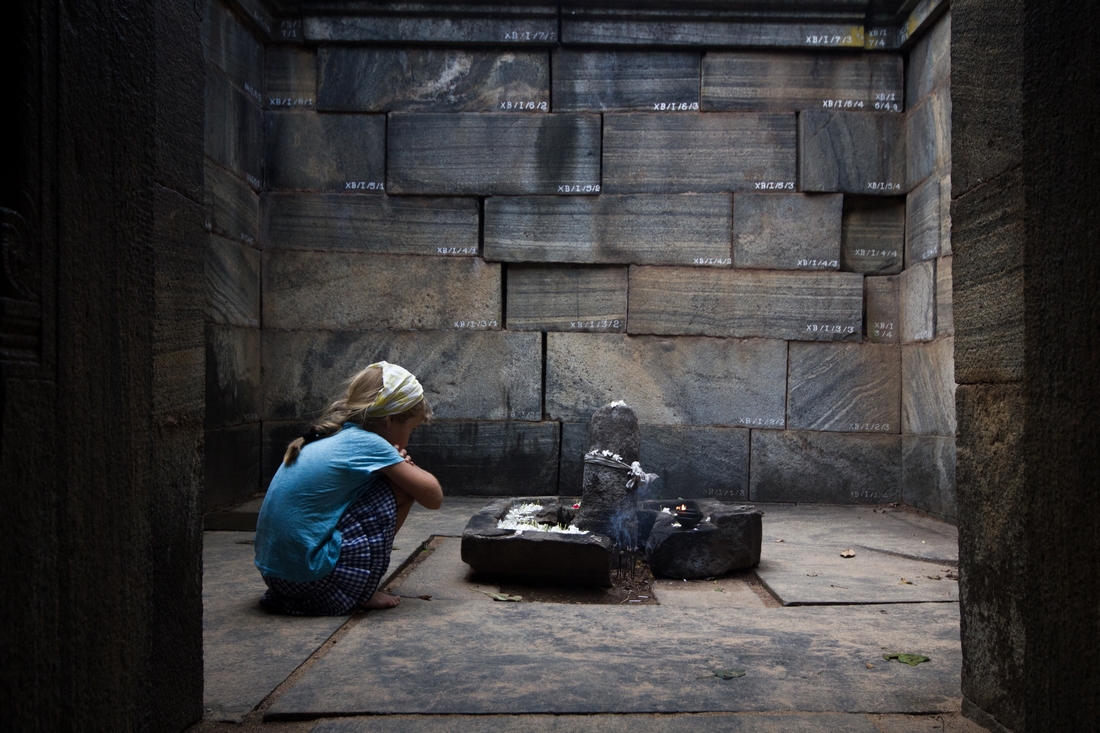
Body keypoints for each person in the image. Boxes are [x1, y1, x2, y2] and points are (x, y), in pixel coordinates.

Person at [254, 361, 443, 615]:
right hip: (309, 578)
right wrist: (408, 468)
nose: (410, 438)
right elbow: (432, 496)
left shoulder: (332, 435)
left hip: (277, 577)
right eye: (412, 429)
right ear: (389, 420)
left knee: (387, 482)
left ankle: (355, 582)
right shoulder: (369, 443)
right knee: (403, 490)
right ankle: (361, 590)